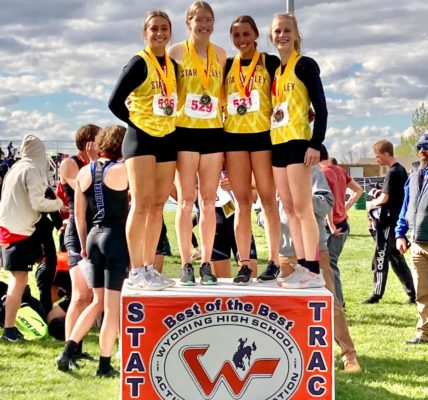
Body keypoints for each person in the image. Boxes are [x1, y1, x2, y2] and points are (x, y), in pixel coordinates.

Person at [260, 166, 361, 373]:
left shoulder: (310, 170)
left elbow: (326, 205)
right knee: (287, 309)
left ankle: (349, 356)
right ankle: (296, 354)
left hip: (314, 253)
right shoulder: (268, 173)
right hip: (285, 253)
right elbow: (261, 218)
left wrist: (300, 197)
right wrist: (276, 205)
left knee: (330, 304)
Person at [109, 11, 176, 291]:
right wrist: (136, 121)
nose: (159, 33)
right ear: (145, 33)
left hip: (167, 139)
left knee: (158, 205)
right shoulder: (139, 62)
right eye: (154, 29)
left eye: (164, 28)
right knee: (141, 204)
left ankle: (149, 267)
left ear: (170, 32)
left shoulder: (172, 65)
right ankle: (136, 270)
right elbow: (114, 102)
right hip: (141, 139)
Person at [57, 125, 129, 376]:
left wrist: (84, 246)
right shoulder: (124, 169)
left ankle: (68, 350)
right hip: (114, 237)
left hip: (92, 238)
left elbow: (78, 214)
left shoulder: (84, 170)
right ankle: (104, 365)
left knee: (97, 301)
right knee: (111, 307)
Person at [168, 1, 226, 286]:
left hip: (213, 131)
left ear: (213, 23)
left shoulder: (221, 54)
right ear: (188, 22)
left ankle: (206, 263)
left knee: (209, 201)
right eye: (198, 19)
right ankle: (186, 264)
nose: (204, 25)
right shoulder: (176, 52)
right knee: (186, 200)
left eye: (208, 20)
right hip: (185, 132)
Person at [269, 13, 327, 288]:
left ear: (296, 34)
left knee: (303, 208)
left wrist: (315, 143)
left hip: (298, 143)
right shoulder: (276, 72)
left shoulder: (305, 65)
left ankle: (313, 269)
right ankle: (301, 265)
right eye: (277, 31)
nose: (282, 35)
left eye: (286, 30)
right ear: (271, 37)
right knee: (289, 209)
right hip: (277, 144)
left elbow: (321, 108)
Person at [223, 15, 280, 285]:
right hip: (234, 138)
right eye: (236, 35)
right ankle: (244, 263)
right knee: (242, 203)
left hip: (262, 138)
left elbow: (285, 93)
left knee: (268, 201)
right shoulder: (227, 65)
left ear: (256, 34)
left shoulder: (270, 62)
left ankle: (274, 261)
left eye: (246, 34)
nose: (242, 40)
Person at [0, 134, 63, 342]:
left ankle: (9, 327)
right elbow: (38, 203)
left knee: (17, 280)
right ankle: (9, 329)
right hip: (20, 232)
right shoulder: (32, 170)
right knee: (18, 281)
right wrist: (58, 204)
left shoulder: (15, 168)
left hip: (9, 228)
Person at [59, 124, 99, 359]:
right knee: (81, 294)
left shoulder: (97, 164)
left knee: (91, 296)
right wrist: (94, 163)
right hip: (76, 232)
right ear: (88, 142)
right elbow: (83, 189)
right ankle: (69, 349)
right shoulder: (69, 163)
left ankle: (77, 348)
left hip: (94, 230)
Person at [362, 139, 415, 304]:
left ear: (386, 153)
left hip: (387, 222)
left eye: (377, 156)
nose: (376, 159)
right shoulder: (401, 170)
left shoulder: (393, 172)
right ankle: (412, 292)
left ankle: (376, 294)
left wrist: (372, 203)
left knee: (380, 256)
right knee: (396, 258)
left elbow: (385, 198)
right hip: (395, 221)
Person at [319, 145, 364, 307]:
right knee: (330, 264)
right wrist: (345, 208)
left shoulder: (323, 174)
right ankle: (334, 301)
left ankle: (337, 303)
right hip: (343, 224)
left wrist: (331, 224)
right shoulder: (338, 170)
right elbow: (358, 190)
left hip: (333, 228)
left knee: (329, 265)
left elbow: (327, 201)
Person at [396, 132, 428, 344]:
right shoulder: (415, 175)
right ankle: (423, 334)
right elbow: (406, 206)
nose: (422, 151)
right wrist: (400, 233)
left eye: (427, 147)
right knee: (422, 293)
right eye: (420, 147)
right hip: (417, 243)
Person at [211, 171, 258, 281]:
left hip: (240, 222)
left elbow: (255, 196)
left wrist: (238, 186)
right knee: (222, 283)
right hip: (216, 222)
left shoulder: (241, 162)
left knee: (251, 277)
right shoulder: (207, 163)